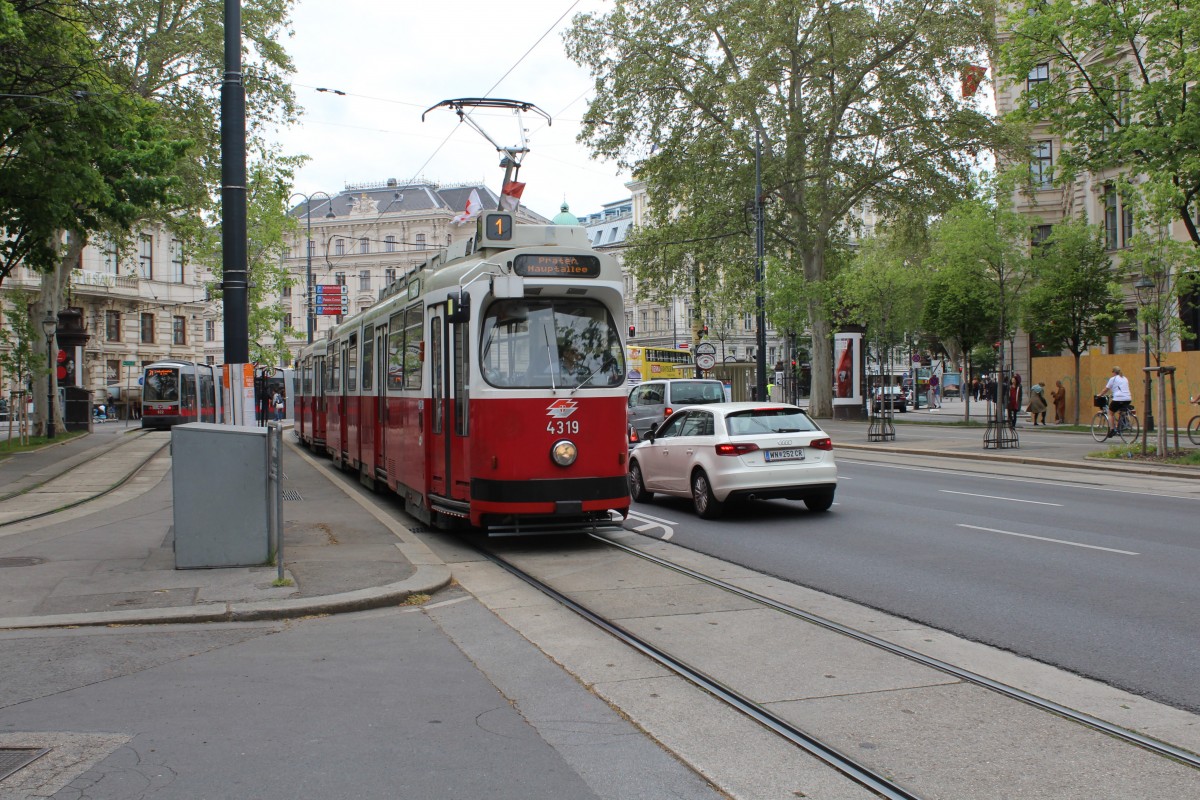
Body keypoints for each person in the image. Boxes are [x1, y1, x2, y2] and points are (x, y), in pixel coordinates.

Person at [1101, 365, 1131, 438]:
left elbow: (1106, 389)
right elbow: (1121, 389)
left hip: (1118, 399)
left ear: (1114, 372)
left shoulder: (1113, 379)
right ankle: (1121, 424)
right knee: (1121, 411)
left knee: (1110, 413)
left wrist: (1099, 395)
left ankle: (1112, 430)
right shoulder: (1125, 378)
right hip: (1128, 398)